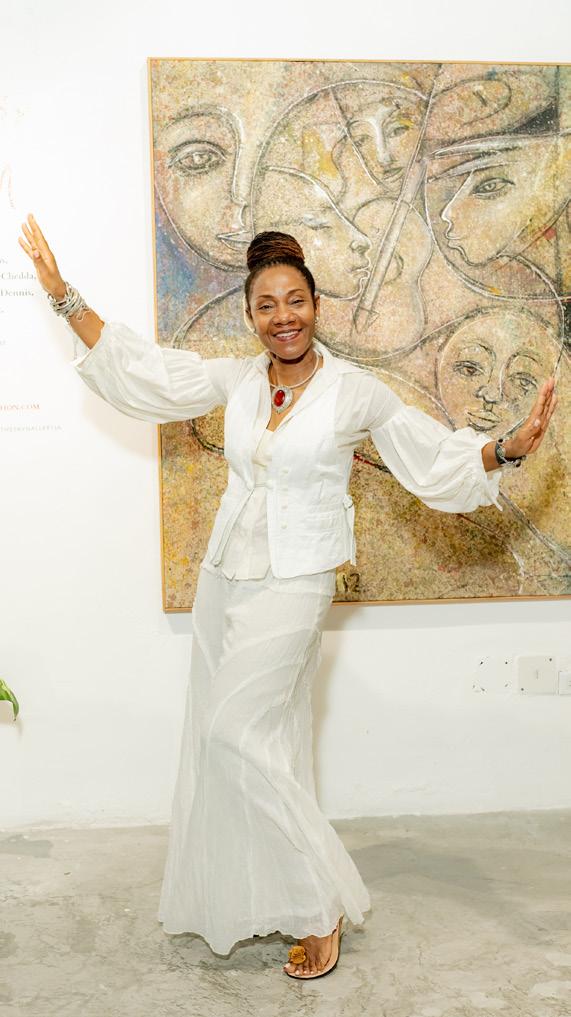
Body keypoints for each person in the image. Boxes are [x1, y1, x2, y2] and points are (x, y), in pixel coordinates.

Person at [18, 215, 558, 980]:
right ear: (250, 315)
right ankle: (253, 895)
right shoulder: (237, 381)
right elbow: (144, 372)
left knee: (234, 733)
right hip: (224, 577)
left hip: (297, 580)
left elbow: (426, 456)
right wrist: (61, 293)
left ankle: (317, 901)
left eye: (295, 300)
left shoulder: (352, 392)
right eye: (266, 305)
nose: (283, 317)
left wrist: (502, 448)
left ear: (316, 305)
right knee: (241, 741)